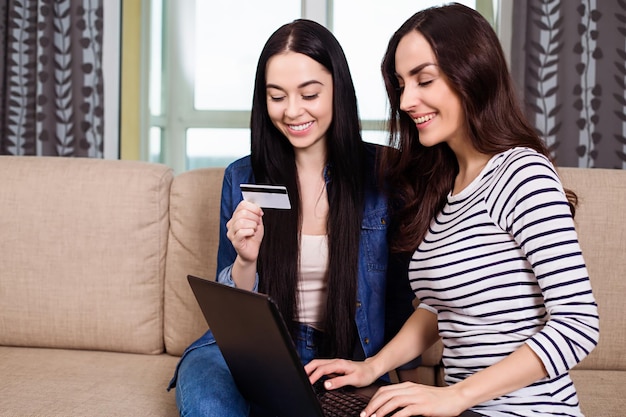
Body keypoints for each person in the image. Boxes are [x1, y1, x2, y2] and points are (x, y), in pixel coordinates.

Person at [305, 4, 600, 417]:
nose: (407, 100)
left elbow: (578, 325)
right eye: (401, 85)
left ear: (472, 73)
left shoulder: (522, 172)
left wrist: (453, 396)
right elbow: (434, 308)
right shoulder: (445, 187)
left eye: (424, 80)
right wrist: (371, 367)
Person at [167, 19, 416, 417]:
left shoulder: (384, 175)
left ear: (338, 90)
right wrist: (246, 260)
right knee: (209, 403)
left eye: (309, 94)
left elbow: (402, 300)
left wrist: (390, 374)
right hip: (249, 349)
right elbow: (231, 308)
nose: (292, 111)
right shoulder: (242, 176)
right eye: (276, 96)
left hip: (344, 356)